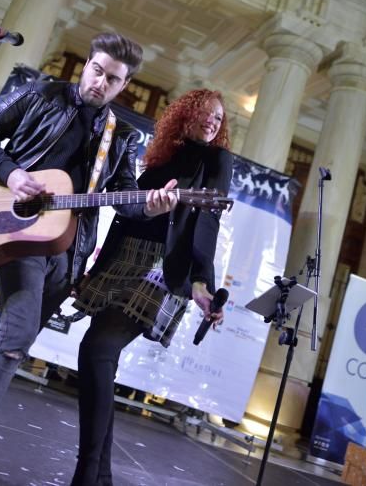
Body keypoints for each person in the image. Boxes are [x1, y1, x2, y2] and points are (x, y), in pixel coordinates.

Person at [0, 33, 178, 486]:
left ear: (124, 87)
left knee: (14, 346)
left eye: (113, 79)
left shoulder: (120, 137)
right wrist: (13, 173)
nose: (101, 82)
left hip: (66, 250)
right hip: (15, 230)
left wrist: (151, 205)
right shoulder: (42, 93)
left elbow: (122, 195)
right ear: (87, 64)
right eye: (97, 70)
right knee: (17, 335)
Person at [70, 88, 233, 485]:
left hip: (162, 264)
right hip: (124, 255)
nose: (213, 121)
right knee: (97, 357)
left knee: (98, 349)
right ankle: (100, 475)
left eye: (219, 117)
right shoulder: (164, 154)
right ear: (187, 114)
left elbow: (206, 223)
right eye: (206, 113)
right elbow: (131, 211)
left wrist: (201, 281)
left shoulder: (217, 159)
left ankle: (87, 474)